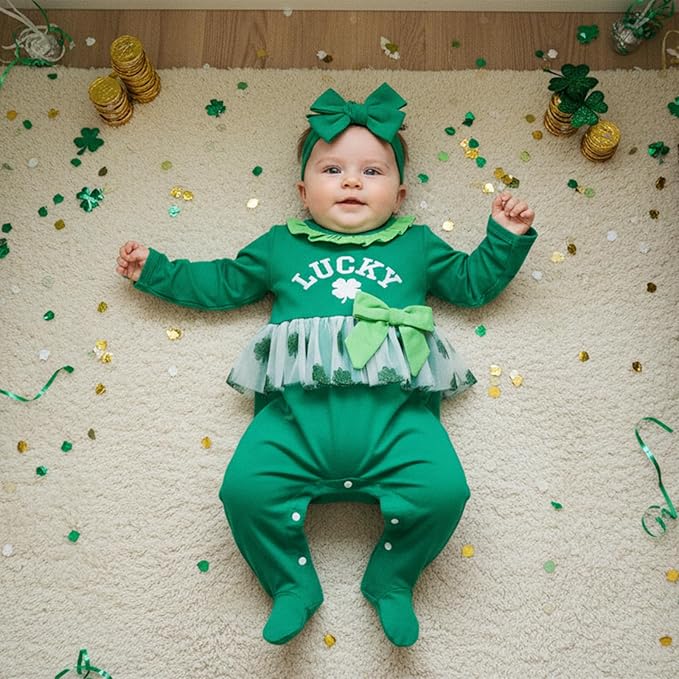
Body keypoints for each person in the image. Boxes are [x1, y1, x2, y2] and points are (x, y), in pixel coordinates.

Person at [116, 82, 537, 647]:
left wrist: (504, 238)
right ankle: (291, 583)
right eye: (332, 170)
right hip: (295, 421)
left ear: (400, 194)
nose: (352, 182)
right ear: (303, 191)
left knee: (444, 493)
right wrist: (157, 271)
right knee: (243, 492)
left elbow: (470, 283)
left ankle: (393, 577)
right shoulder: (281, 245)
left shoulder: (415, 244)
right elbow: (223, 281)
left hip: (398, 422)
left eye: (372, 172)